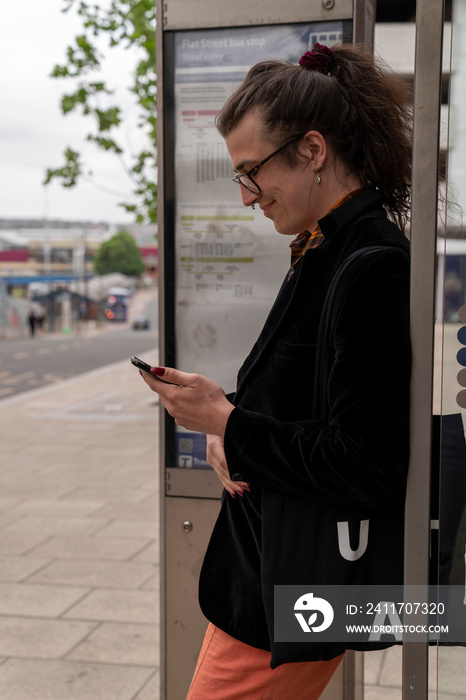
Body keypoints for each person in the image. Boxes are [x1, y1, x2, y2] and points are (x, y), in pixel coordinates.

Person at [140, 43, 412, 699]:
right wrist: (222, 424)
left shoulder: (369, 262)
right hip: (272, 581)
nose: (245, 197)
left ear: (313, 150)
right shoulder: (328, 245)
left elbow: (366, 461)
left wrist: (232, 424)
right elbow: (307, 404)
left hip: (290, 590)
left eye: (252, 171)